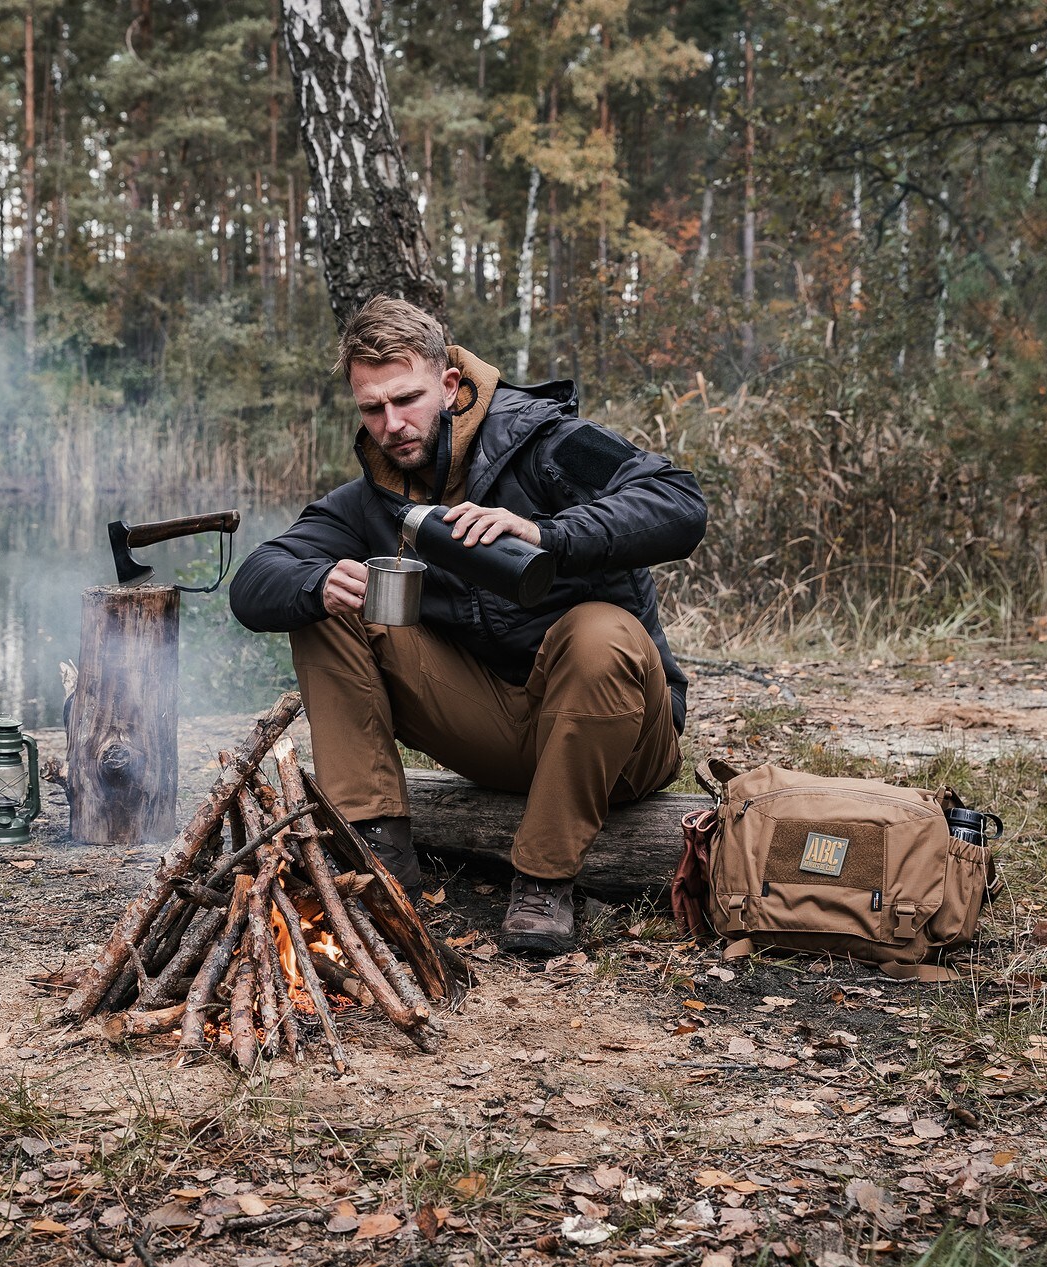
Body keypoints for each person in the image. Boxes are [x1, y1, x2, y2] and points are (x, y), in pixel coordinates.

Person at [229, 297, 706, 955]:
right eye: (372, 409)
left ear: (450, 385)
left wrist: (549, 533)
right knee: (324, 603)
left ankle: (544, 879)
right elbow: (256, 580)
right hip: (495, 733)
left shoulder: (550, 445)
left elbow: (680, 503)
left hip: (620, 739)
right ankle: (379, 861)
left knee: (601, 631)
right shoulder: (370, 501)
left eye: (407, 399)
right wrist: (316, 582)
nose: (391, 424)